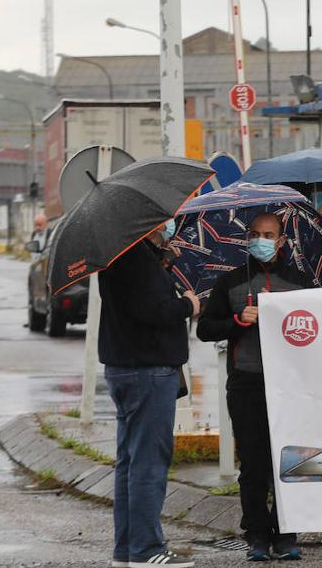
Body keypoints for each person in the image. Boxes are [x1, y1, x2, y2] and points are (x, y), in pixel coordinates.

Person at [198, 212, 313, 561]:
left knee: (290, 460)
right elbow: (205, 329)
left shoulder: (301, 282)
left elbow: (319, 329)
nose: (261, 240)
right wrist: (237, 321)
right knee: (254, 463)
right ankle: (257, 535)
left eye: (268, 234)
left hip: (291, 386)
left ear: (281, 241)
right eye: (255, 234)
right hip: (246, 383)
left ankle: (287, 533)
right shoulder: (230, 282)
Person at [99, 232, 201, 568]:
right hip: (148, 370)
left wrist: (162, 262)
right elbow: (153, 311)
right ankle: (146, 549)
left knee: (130, 461)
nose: (170, 223)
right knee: (148, 461)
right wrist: (188, 304)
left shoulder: (121, 252)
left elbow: (136, 302)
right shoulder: (136, 258)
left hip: (124, 367)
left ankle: (127, 547)